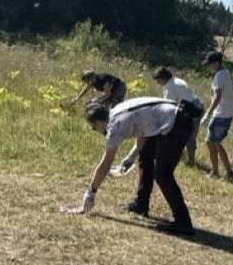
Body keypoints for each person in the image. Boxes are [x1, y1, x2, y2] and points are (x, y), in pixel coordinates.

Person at [77, 97, 196, 235]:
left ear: (98, 122)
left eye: (93, 127)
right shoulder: (116, 110)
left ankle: (183, 222)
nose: (94, 130)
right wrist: (131, 157)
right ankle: (141, 205)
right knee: (145, 157)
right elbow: (144, 130)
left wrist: (90, 193)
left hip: (177, 123)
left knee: (163, 174)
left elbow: (105, 165)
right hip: (174, 117)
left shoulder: (114, 126)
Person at [152, 66, 205, 167]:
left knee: (183, 135)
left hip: (191, 110)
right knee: (189, 135)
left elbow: (167, 106)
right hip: (198, 107)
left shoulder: (170, 87)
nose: (157, 83)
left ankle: (185, 160)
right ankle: (189, 160)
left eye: (158, 80)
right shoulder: (176, 80)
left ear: (163, 78)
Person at [201, 51, 233, 180]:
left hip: (221, 114)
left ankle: (216, 172)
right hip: (227, 113)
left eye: (210, 64)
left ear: (216, 63)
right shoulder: (226, 73)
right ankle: (229, 173)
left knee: (210, 142)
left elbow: (217, 98)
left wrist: (207, 114)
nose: (209, 67)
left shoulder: (219, 76)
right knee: (215, 142)